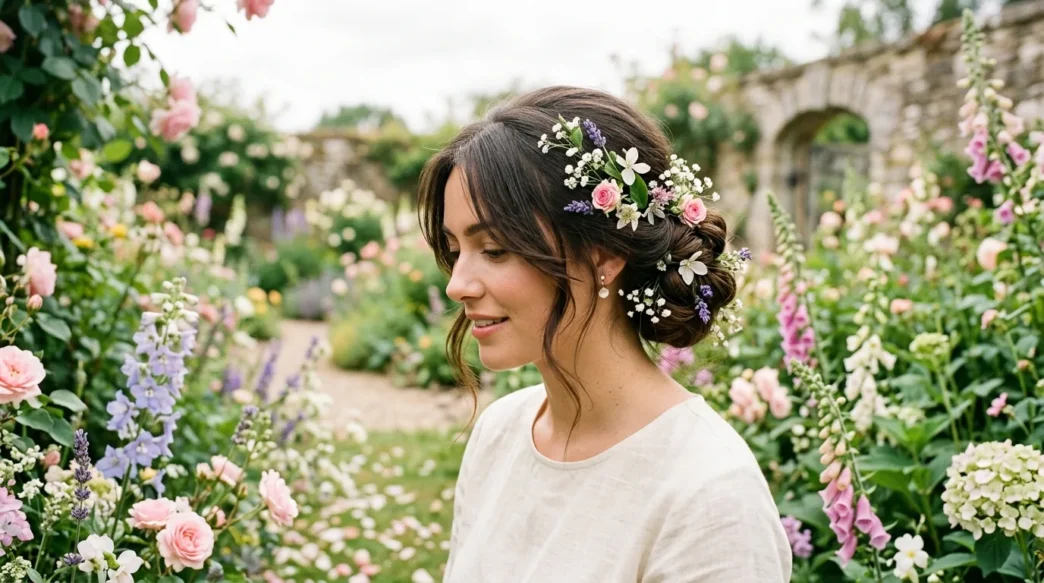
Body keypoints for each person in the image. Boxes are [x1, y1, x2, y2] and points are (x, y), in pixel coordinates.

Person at [417, 86, 792, 582]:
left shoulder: (710, 495)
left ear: (602, 257)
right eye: (453, 248)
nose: (456, 285)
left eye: (494, 249)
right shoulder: (499, 433)